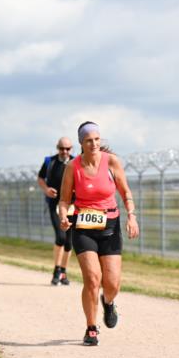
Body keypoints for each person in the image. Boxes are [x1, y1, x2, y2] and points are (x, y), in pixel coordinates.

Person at [57, 122, 139, 346]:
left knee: (112, 283)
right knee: (93, 278)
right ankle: (91, 328)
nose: (93, 144)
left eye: (96, 139)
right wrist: (63, 215)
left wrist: (131, 216)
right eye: (88, 140)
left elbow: (125, 191)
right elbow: (64, 200)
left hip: (110, 225)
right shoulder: (73, 167)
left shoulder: (111, 162)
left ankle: (109, 302)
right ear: (81, 144)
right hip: (83, 226)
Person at [38, 137, 75, 285]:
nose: (64, 151)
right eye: (61, 148)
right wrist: (46, 189)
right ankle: (56, 270)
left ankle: (63, 272)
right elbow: (40, 178)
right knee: (60, 237)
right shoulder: (50, 162)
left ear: (71, 149)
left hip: (72, 205)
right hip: (55, 205)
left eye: (67, 149)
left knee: (69, 241)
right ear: (57, 148)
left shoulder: (76, 162)